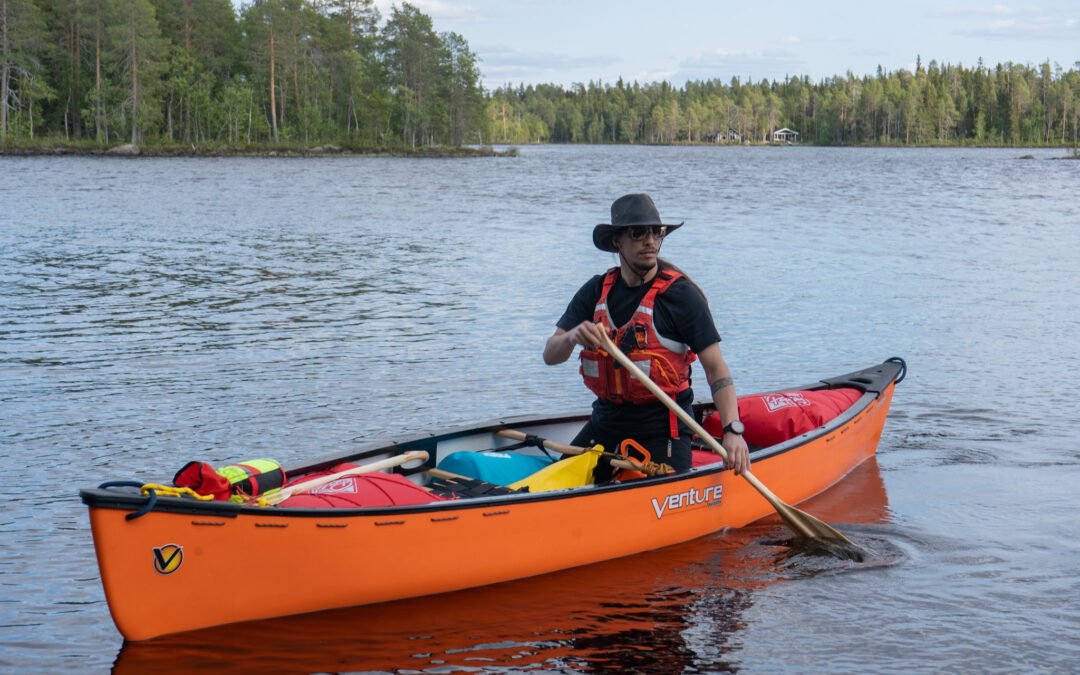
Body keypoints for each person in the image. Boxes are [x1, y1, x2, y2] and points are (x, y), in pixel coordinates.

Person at [543, 193, 750, 481]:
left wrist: (732, 431)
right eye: (638, 233)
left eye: (657, 232)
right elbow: (550, 355)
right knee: (553, 484)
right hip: (604, 425)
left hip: (662, 431)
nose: (650, 241)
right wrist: (571, 337)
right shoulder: (595, 290)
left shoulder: (681, 297)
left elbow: (716, 369)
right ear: (617, 241)